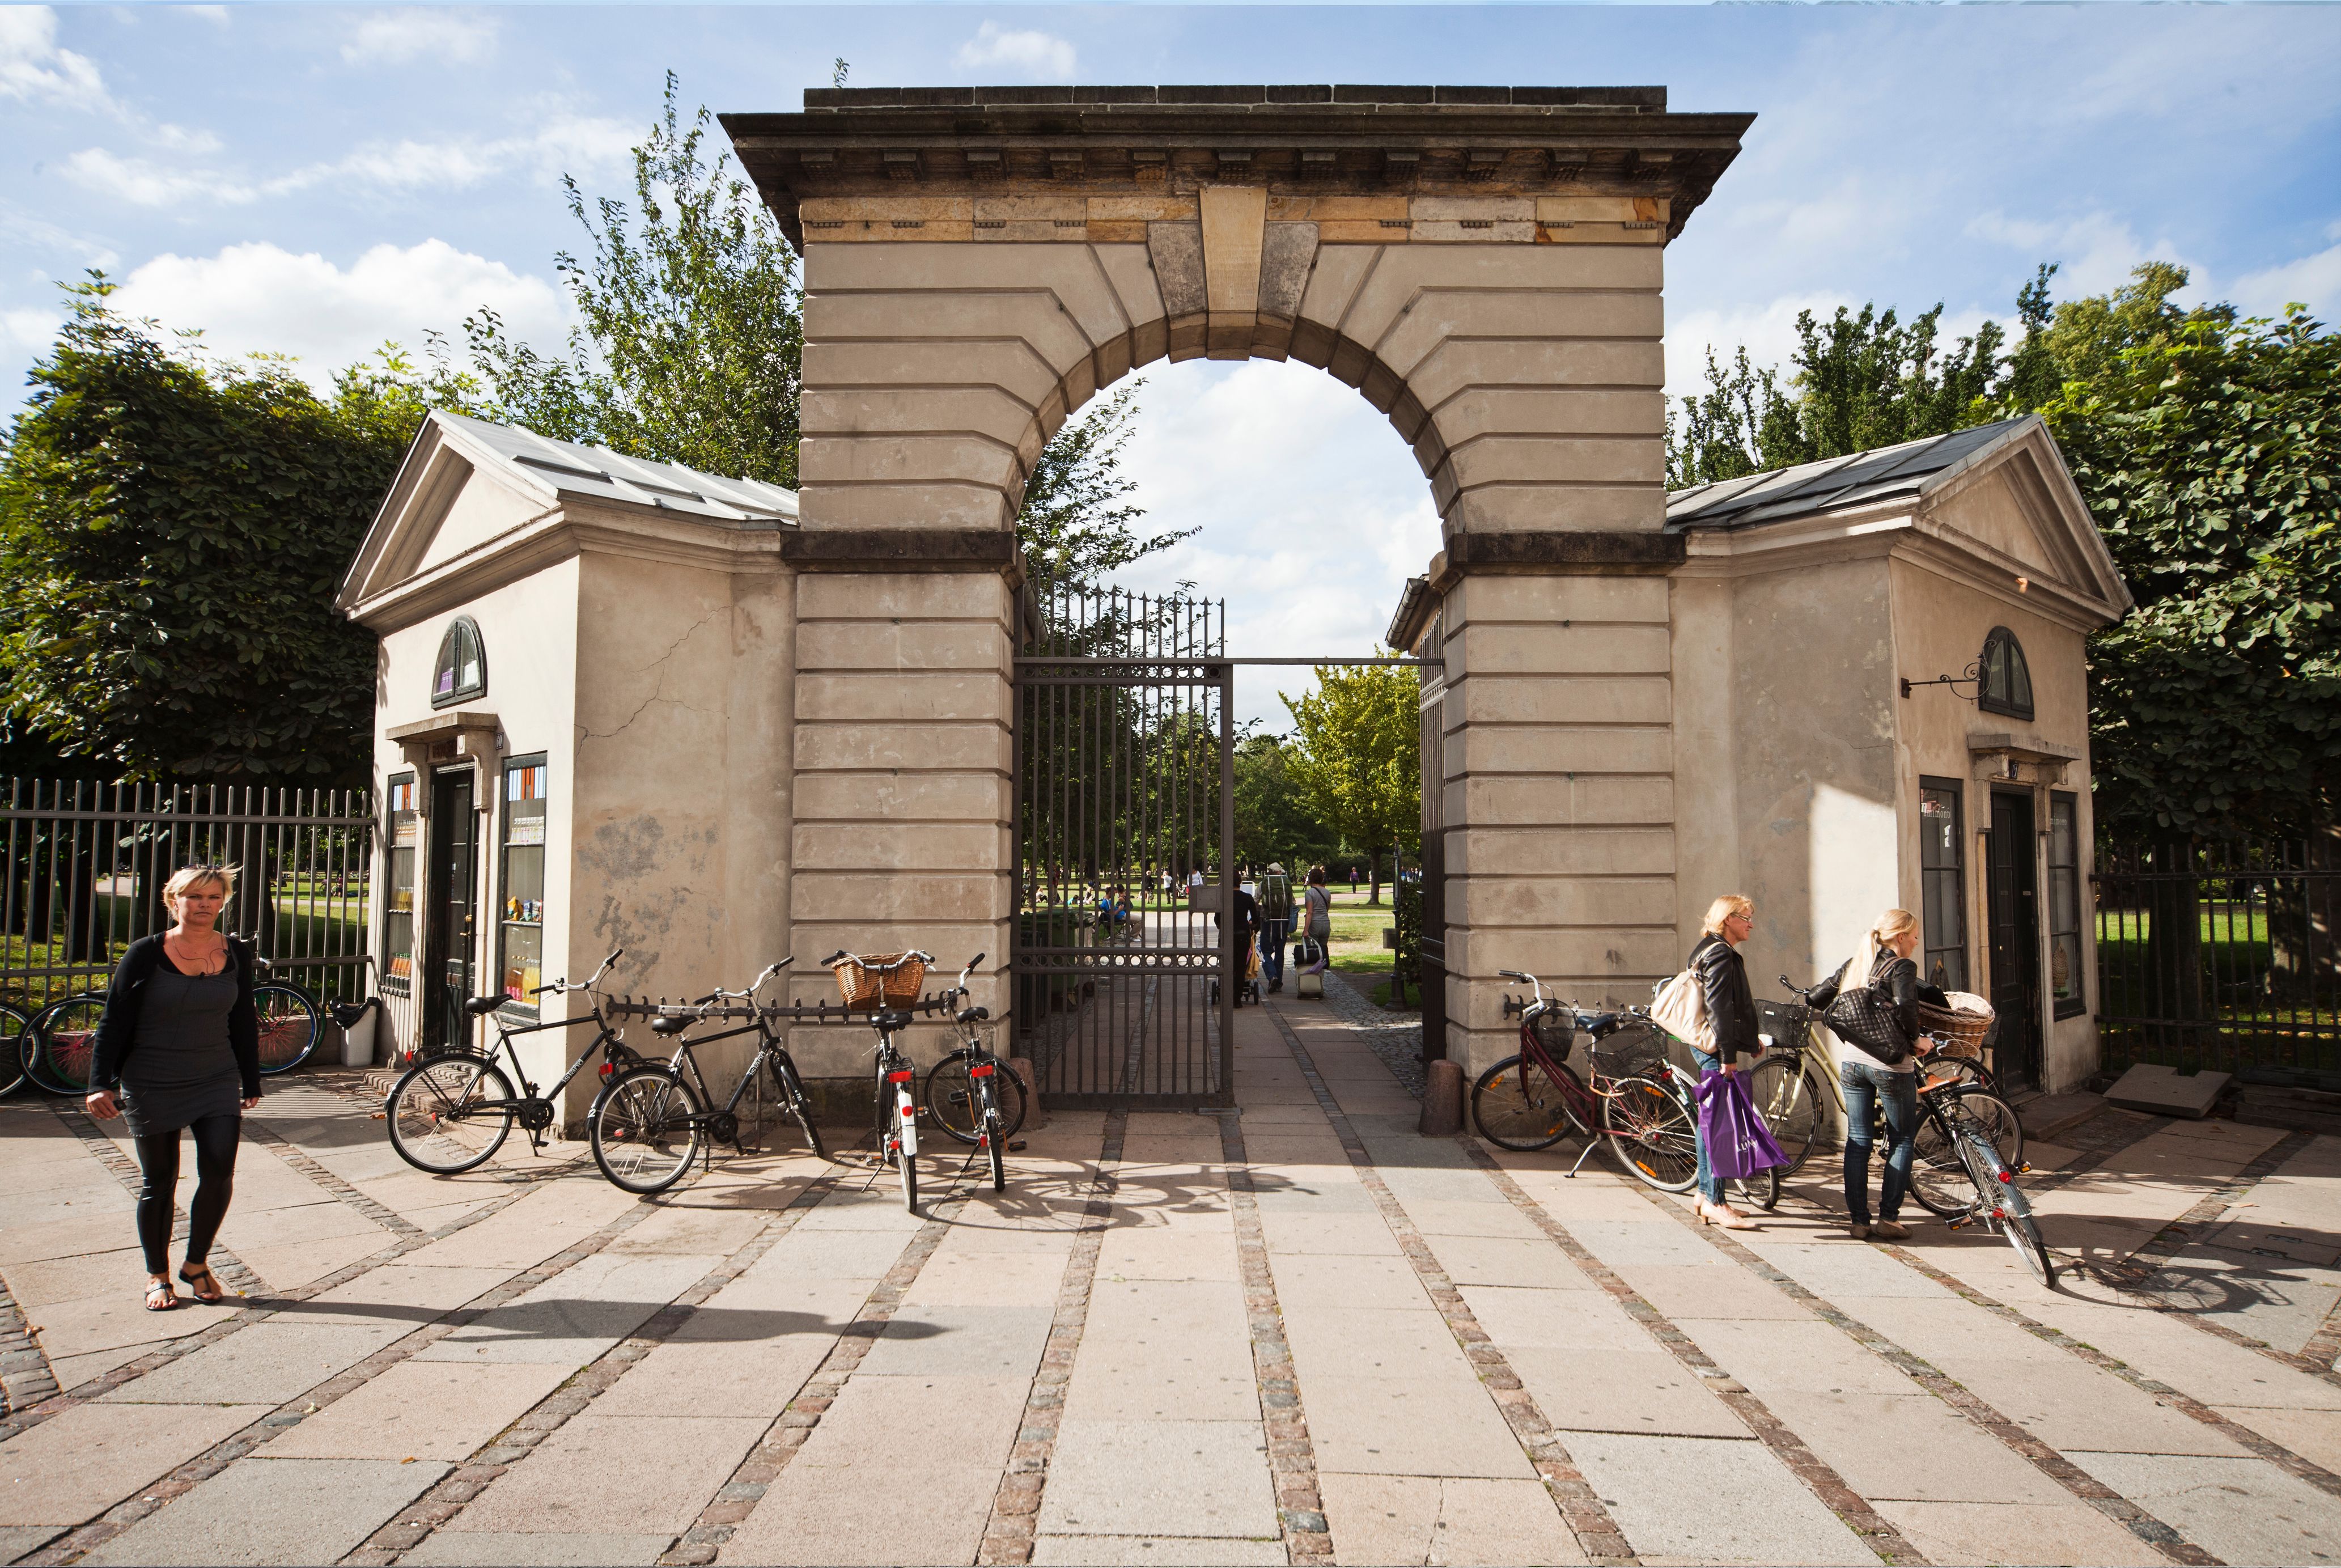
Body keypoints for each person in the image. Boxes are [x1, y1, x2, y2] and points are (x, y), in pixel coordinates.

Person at [86, 866, 262, 1312]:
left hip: (216, 1075)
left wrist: (251, 1078)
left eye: (213, 897)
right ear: (174, 901)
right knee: (159, 1181)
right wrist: (99, 1083)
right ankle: (157, 1274)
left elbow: (242, 1021)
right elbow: (114, 1021)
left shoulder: (236, 953)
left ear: (223, 902)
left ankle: (196, 1263)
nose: (204, 905)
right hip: (152, 1077)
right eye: (194, 896)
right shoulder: (145, 953)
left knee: (220, 1170)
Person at [1825, 909, 1946, 1241]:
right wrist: (1918, 1039)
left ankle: (1859, 1221)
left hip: (1852, 1063)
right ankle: (1888, 1219)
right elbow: (1908, 1007)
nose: (1917, 941)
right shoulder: (1902, 966)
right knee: (1902, 1138)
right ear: (1901, 936)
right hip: (1891, 1065)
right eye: (1916, 935)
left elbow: (1821, 995)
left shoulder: (1860, 961)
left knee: (1859, 1140)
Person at [1688, 893, 1763, 1230]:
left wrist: (1749, 1039)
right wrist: (1728, 1056)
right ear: (1728, 919)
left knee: (1711, 1123)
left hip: (1711, 1045)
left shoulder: (1708, 947)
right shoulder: (1720, 952)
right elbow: (1719, 1007)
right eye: (1746, 917)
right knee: (1719, 1126)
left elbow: (1728, 1007)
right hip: (1715, 1050)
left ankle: (1705, 1195)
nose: (1751, 924)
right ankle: (1717, 1203)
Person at [1214, 879, 1262, 1006]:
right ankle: (1237, 998)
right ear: (1240, 882)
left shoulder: (1224, 898)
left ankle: (1227, 993)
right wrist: (1249, 923)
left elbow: (1217, 919)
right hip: (1243, 934)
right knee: (1241, 966)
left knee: (1227, 965)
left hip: (1227, 935)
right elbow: (1255, 918)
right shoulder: (1247, 897)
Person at [1257, 862, 1295, 993]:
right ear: (1279, 872)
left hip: (1268, 922)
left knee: (1265, 952)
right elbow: (1292, 903)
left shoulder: (1263, 884)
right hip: (1283, 922)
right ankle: (1278, 982)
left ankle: (1272, 976)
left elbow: (1256, 900)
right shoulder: (1287, 884)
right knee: (1280, 953)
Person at [1296, 866, 1333, 977]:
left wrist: (1305, 930)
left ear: (1311, 879)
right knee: (1322, 953)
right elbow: (1327, 909)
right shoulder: (1327, 892)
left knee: (1313, 953)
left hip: (1314, 925)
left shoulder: (1310, 893)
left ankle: (1312, 980)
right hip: (1326, 924)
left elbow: (1310, 912)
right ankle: (1320, 977)